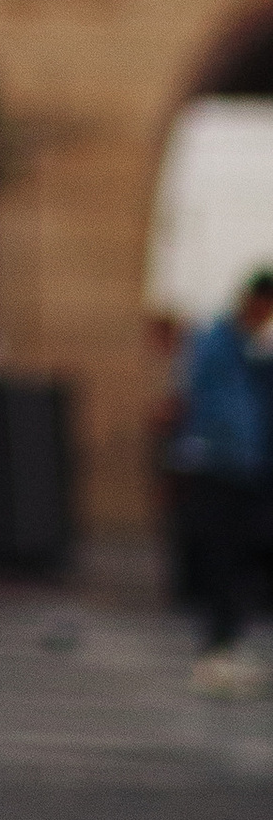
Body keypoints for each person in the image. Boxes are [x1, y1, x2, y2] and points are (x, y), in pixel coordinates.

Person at [172, 268, 273, 695]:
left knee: (245, 558)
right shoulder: (215, 342)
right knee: (220, 557)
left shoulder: (253, 352)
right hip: (217, 466)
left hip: (249, 468)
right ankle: (216, 648)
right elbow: (203, 400)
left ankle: (227, 644)